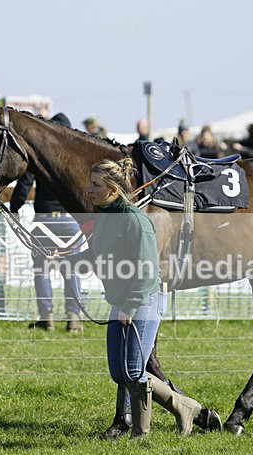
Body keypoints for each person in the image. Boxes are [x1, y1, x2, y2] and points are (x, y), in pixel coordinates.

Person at [60, 157, 205, 438]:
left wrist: (129, 306)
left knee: (134, 370)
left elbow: (147, 273)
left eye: (96, 185)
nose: (90, 189)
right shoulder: (105, 218)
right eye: (91, 183)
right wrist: (65, 261)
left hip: (144, 299)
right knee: (120, 372)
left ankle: (141, 434)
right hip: (122, 301)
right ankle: (183, 406)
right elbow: (97, 255)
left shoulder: (135, 221)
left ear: (113, 190)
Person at [9, 113, 83, 333]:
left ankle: (46, 317)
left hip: (43, 220)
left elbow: (24, 183)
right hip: (70, 221)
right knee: (72, 270)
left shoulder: (41, 155)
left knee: (41, 270)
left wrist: (15, 207)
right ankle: (74, 318)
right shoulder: (76, 157)